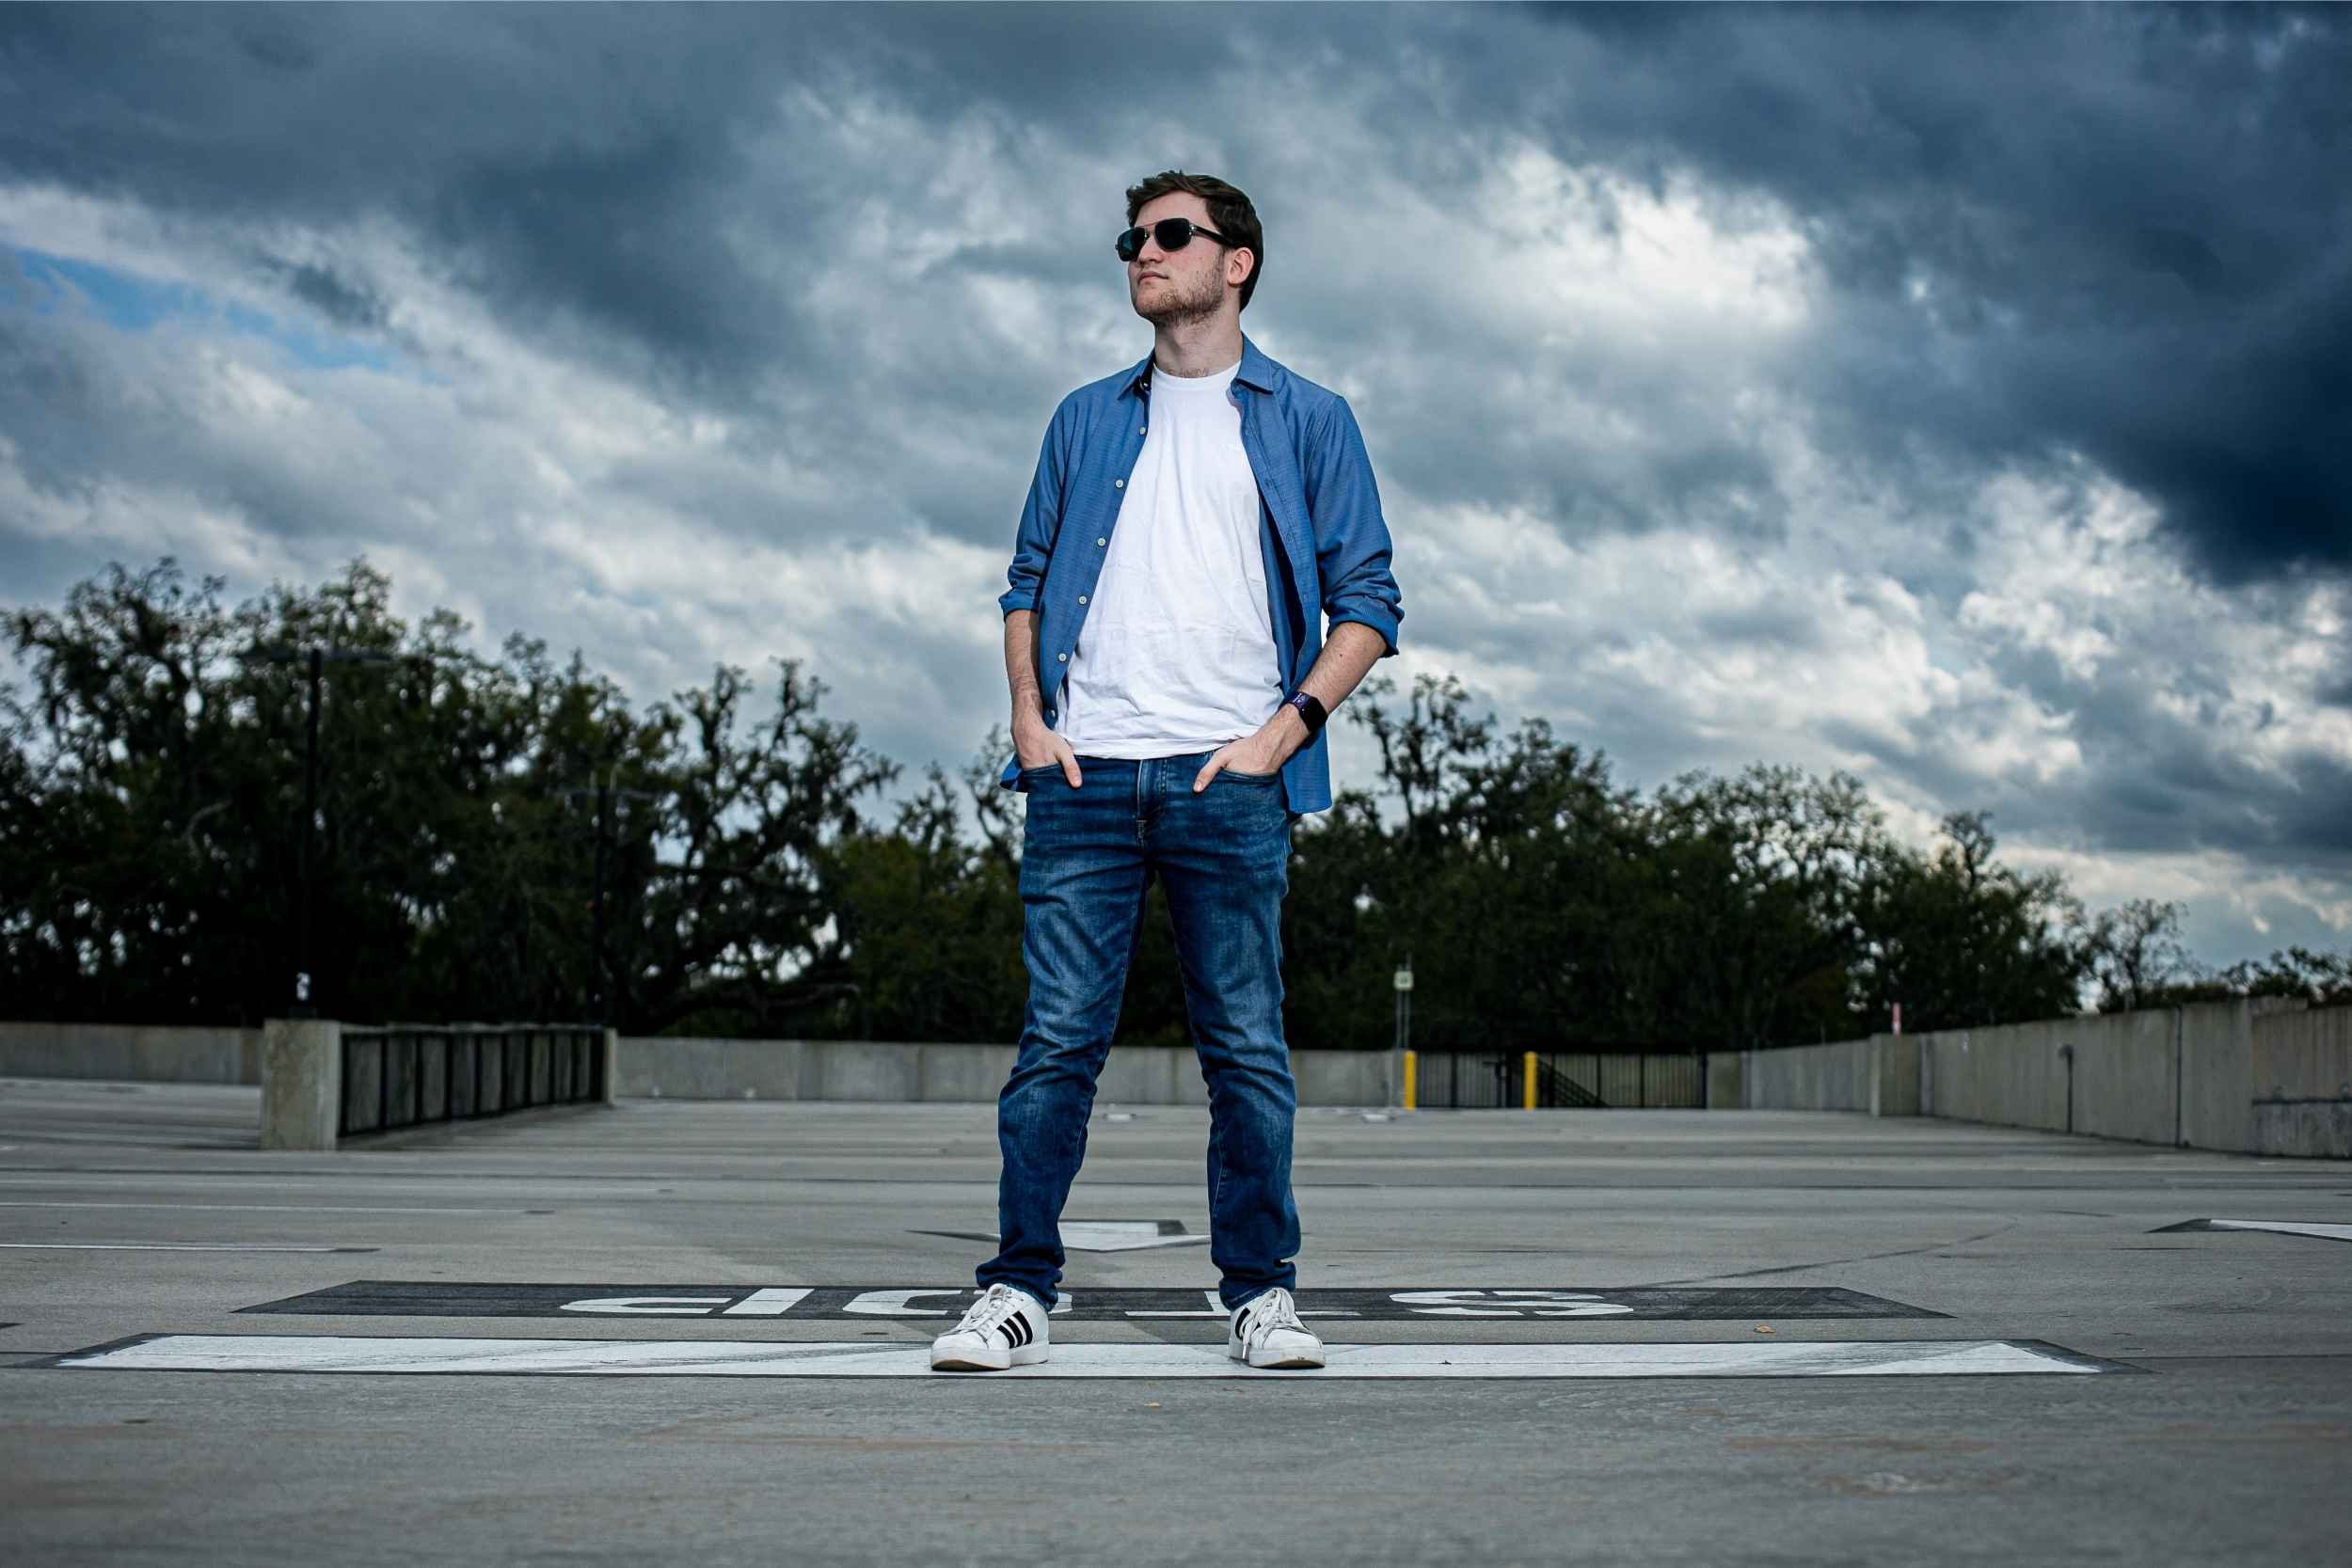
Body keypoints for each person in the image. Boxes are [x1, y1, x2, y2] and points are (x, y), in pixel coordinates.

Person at [930, 170, 1403, 1373]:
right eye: (1133, 238)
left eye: (1170, 234)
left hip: (1226, 780)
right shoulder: (1086, 417)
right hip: (1082, 779)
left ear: (1234, 261)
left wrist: (1281, 732)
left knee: (1245, 1045)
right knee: (1054, 1046)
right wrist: (1032, 725)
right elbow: (1026, 582)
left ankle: (1259, 1292)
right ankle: (1016, 1289)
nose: (1143, 251)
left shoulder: (1309, 417)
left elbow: (1368, 603)